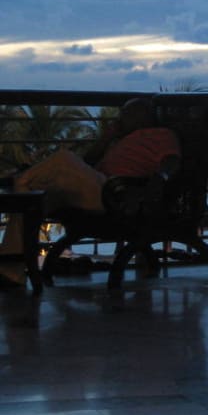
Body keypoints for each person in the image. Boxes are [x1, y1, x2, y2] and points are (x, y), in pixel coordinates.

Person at [0, 97, 180, 286]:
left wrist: (160, 179)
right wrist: (107, 138)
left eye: (125, 115)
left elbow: (172, 161)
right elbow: (88, 161)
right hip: (95, 188)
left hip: (116, 194)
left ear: (142, 116)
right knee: (31, 202)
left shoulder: (162, 135)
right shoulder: (123, 139)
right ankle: (10, 273)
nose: (120, 119)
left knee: (64, 158)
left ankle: (18, 178)